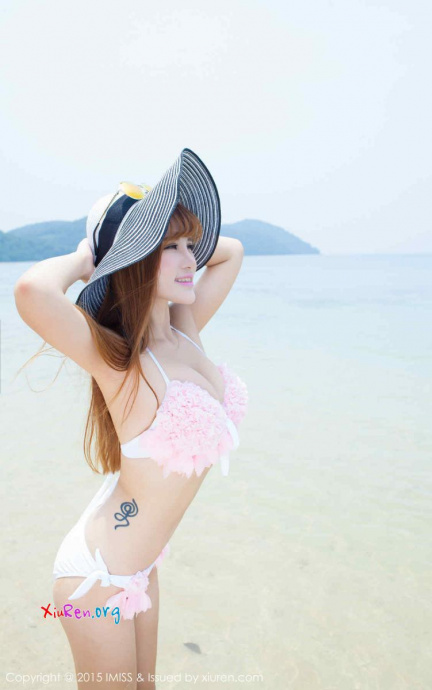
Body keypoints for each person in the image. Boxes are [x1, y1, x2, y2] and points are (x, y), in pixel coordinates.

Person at [13, 149, 249, 690]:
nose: (191, 259)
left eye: (190, 245)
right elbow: (32, 293)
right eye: (170, 247)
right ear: (135, 258)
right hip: (92, 581)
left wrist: (173, 235)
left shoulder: (185, 328)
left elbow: (231, 251)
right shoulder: (122, 365)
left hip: (139, 569)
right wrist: (88, 258)